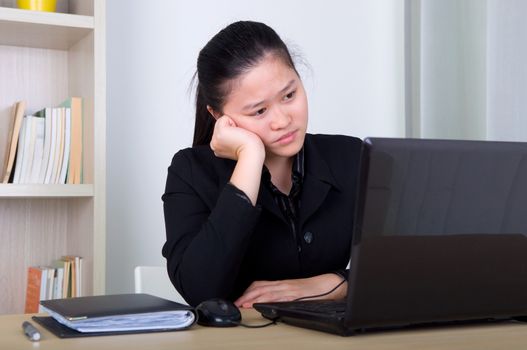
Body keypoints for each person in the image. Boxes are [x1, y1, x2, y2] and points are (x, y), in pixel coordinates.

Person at [162, 21, 362, 308]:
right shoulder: (190, 171)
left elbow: (407, 265)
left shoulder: (351, 156)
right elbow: (199, 291)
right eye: (259, 111)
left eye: (290, 95)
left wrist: (329, 285)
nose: (282, 121)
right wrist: (250, 156)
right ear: (218, 116)